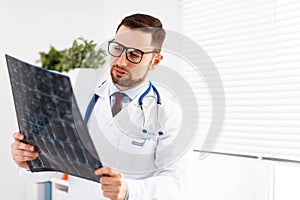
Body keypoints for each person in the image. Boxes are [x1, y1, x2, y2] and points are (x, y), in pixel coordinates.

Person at [11, 13, 191, 200]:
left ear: (155, 61)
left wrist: (129, 190)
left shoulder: (167, 113)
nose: (121, 61)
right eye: (117, 48)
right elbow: (58, 165)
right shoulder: (78, 99)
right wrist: (28, 161)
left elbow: (178, 182)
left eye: (134, 55)